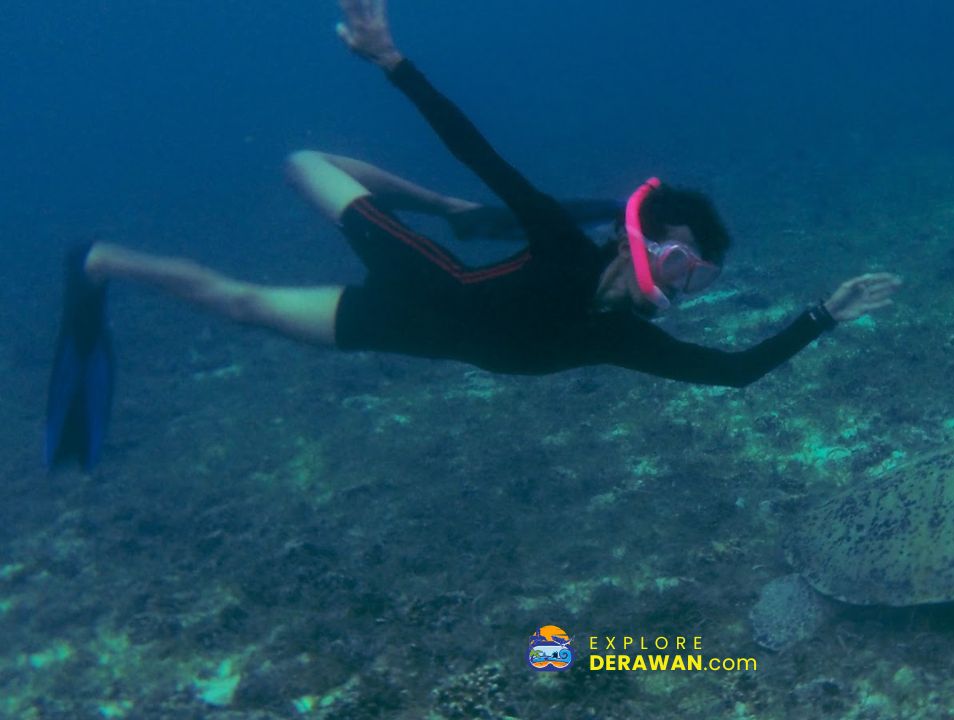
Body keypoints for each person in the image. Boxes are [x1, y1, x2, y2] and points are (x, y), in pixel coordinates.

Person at [43, 0, 902, 470]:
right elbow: (473, 144)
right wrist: (390, 61)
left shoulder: (622, 341)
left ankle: (100, 262)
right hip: (416, 271)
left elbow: (735, 373)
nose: (677, 288)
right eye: (680, 262)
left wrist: (823, 315)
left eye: (696, 284)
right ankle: (448, 212)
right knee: (302, 160)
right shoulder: (567, 245)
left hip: (405, 331)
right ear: (639, 237)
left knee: (237, 306)